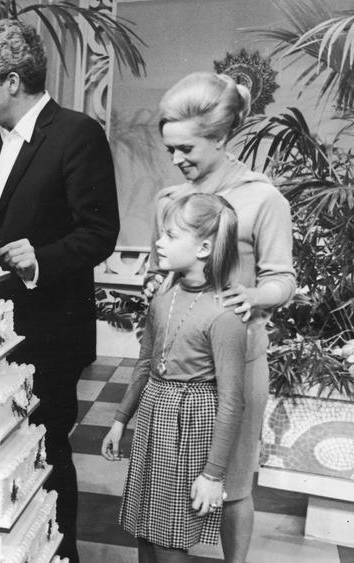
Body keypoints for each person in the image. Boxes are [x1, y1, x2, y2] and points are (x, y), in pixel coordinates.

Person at [0, 19, 121, 562]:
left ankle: (62, 554)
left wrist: (41, 260)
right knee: (10, 457)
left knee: (47, 454)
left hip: (51, 339)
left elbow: (100, 231)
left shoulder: (76, 132)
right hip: (3, 338)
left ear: (10, 81)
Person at [145, 71, 296, 563]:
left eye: (186, 148)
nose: (176, 160)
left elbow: (284, 280)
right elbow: (159, 269)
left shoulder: (263, 197)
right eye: (170, 150)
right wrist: (154, 284)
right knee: (167, 479)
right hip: (181, 369)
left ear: (221, 136)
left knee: (232, 484)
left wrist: (255, 295)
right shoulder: (170, 201)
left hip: (237, 362)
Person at [102, 193, 246, 562]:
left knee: (169, 538)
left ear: (203, 248)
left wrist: (213, 475)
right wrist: (120, 421)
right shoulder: (162, 299)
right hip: (154, 416)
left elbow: (232, 401)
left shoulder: (224, 315)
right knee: (144, 532)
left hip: (190, 424)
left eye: (170, 235)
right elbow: (144, 363)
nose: (158, 242)